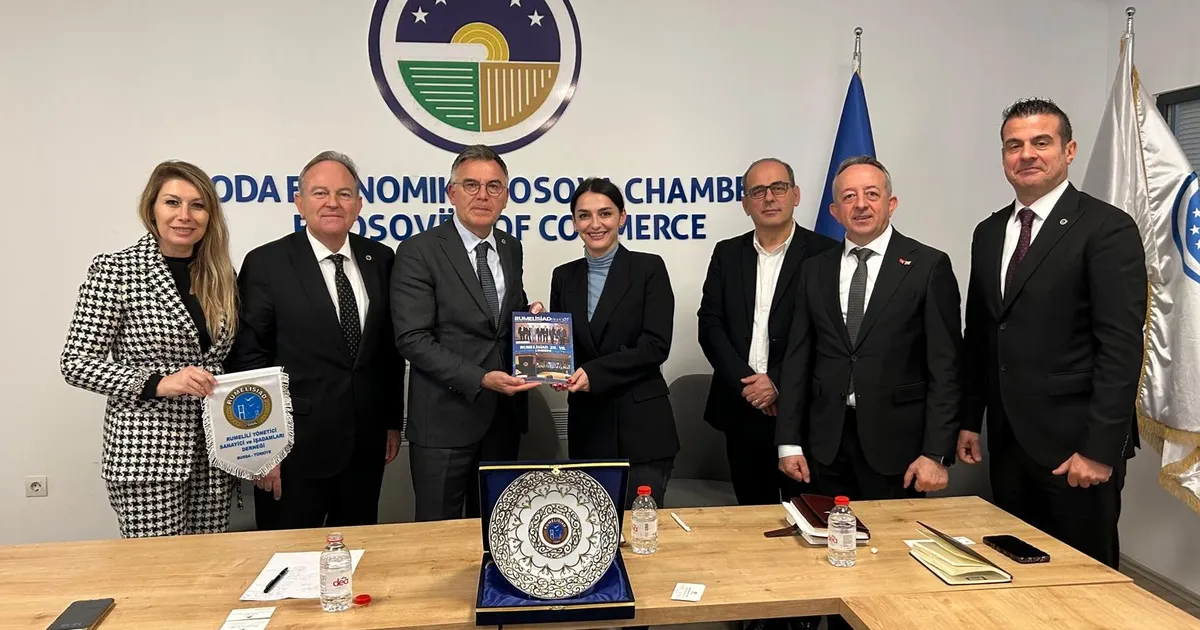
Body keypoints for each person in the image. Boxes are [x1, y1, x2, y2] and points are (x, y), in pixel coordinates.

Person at [959, 98, 1146, 570]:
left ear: (1069, 151)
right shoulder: (988, 232)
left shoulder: (1106, 228)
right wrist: (969, 419)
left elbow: (1121, 348)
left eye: (1041, 142)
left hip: (1076, 449)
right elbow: (981, 334)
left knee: (1083, 577)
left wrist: (1099, 451)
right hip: (1008, 444)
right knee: (1015, 569)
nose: (1027, 154)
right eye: (1014, 145)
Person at [61, 160, 239, 538]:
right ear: (151, 209)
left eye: (197, 205)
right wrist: (159, 382)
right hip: (147, 457)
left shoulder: (221, 276)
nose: (184, 215)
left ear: (210, 215)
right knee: (159, 568)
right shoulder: (116, 270)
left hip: (214, 456)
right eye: (172, 202)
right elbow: (76, 363)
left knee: (210, 566)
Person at [227, 150, 404, 530]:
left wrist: (392, 421)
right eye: (320, 193)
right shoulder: (267, 263)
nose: (332, 203)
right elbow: (248, 358)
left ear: (358, 204)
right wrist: (260, 449)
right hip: (292, 449)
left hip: (365, 445)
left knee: (358, 552)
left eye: (344, 194)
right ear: (299, 202)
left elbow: (388, 351)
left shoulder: (381, 259)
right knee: (287, 556)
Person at [777, 155, 962, 500]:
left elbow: (946, 368)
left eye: (872, 194)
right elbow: (797, 359)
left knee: (890, 537)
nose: (860, 204)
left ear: (891, 204)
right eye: (849, 196)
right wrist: (788, 442)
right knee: (824, 534)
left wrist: (936, 452)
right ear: (835, 211)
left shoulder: (928, 266)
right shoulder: (814, 270)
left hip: (899, 450)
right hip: (824, 446)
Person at [392, 144, 544, 522]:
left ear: (505, 196)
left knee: (499, 529)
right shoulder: (418, 251)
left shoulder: (510, 247)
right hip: (444, 420)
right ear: (452, 192)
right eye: (471, 185)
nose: (482, 195)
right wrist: (480, 378)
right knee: (438, 535)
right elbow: (412, 338)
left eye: (494, 187)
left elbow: (498, 320)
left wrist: (531, 319)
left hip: (503, 418)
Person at [698, 157, 838, 509]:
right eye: (758, 191)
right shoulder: (727, 253)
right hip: (742, 408)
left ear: (796, 195)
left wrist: (776, 381)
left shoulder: (826, 254)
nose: (769, 198)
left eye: (778, 188)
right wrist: (749, 385)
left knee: (807, 514)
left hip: (803, 411)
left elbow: (828, 335)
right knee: (751, 516)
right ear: (746, 203)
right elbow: (710, 325)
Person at [550, 178, 678, 508]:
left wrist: (594, 373)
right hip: (589, 426)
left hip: (641, 428)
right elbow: (564, 348)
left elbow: (655, 346)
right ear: (574, 222)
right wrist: (541, 337)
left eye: (605, 213)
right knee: (592, 529)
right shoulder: (563, 276)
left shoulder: (649, 268)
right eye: (584, 215)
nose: (595, 224)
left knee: (642, 529)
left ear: (622, 217)